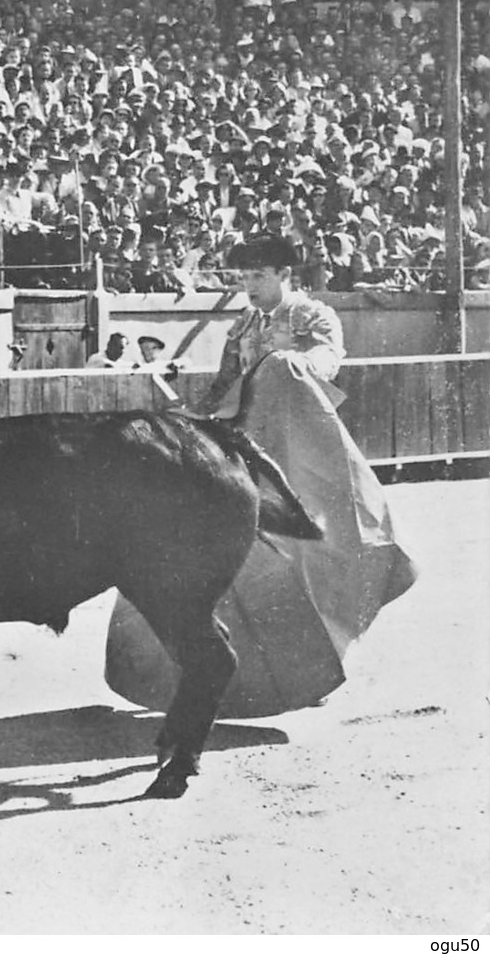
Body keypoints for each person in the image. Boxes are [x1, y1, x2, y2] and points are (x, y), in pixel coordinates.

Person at [106, 235, 419, 717]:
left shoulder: (314, 316)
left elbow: (325, 363)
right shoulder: (243, 324)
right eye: (243, 277)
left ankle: (314, 662)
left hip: (298, 448)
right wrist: (195, 413)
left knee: (311, 551)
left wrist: (286, 364)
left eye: (257, 276)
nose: (248, 286)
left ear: (283, 275)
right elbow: (221, 388)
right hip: (248, 447)